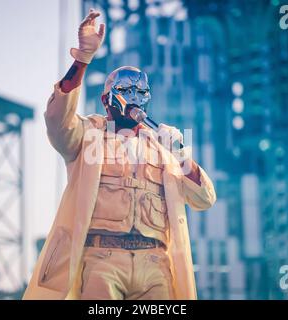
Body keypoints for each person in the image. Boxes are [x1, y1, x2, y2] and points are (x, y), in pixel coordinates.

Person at [23, 8, 216, 300]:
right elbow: (57, 120)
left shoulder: (163, 145)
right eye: (126, 90)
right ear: (106, 99)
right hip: (102, 260)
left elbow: (205, 199)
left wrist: (180, 155)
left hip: (156, 265)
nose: (135, 97)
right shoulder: (88, 136)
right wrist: (82, 59)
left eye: (141, 91)